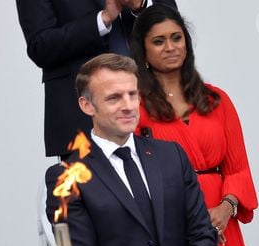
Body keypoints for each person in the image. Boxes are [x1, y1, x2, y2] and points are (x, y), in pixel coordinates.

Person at [45, 53, 220, 246]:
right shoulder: (66, 176)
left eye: (132, 94)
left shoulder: (172, 156)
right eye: (113, 98)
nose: (127, 105)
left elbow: (203, 236)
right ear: (87, 106)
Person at [130, 5, 258, 246]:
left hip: (223, 226)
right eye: (159, 41)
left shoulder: (217, 100)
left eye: (177, 38)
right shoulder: (135, 107)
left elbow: (239, 168)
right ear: (143, 50)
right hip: (172, 228)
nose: (170, 47)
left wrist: (228, 206)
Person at [15, 0, 176, 157]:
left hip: (156, 103)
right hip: (83, 119)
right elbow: (40, 46)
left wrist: (141, 5)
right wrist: (102, 20)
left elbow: (174, 22)